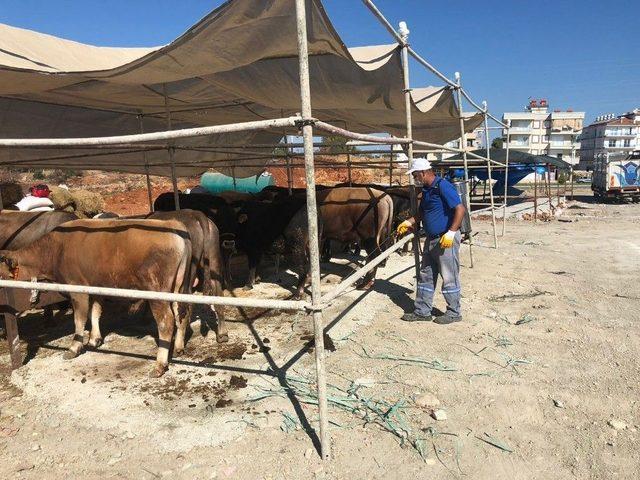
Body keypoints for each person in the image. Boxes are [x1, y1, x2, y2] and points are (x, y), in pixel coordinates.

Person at [396, 158, 466, 324]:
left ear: (423, 172)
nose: (415, 178)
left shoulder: (443, 186)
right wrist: (409, 222)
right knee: (426, 274)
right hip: (431, 238)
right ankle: (422, 311)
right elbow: (423, 213)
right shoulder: (427, 190)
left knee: (449, 275)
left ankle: (454, 312)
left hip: (445, 238)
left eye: (415, 175)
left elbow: (460, 209)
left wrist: (451, 232)